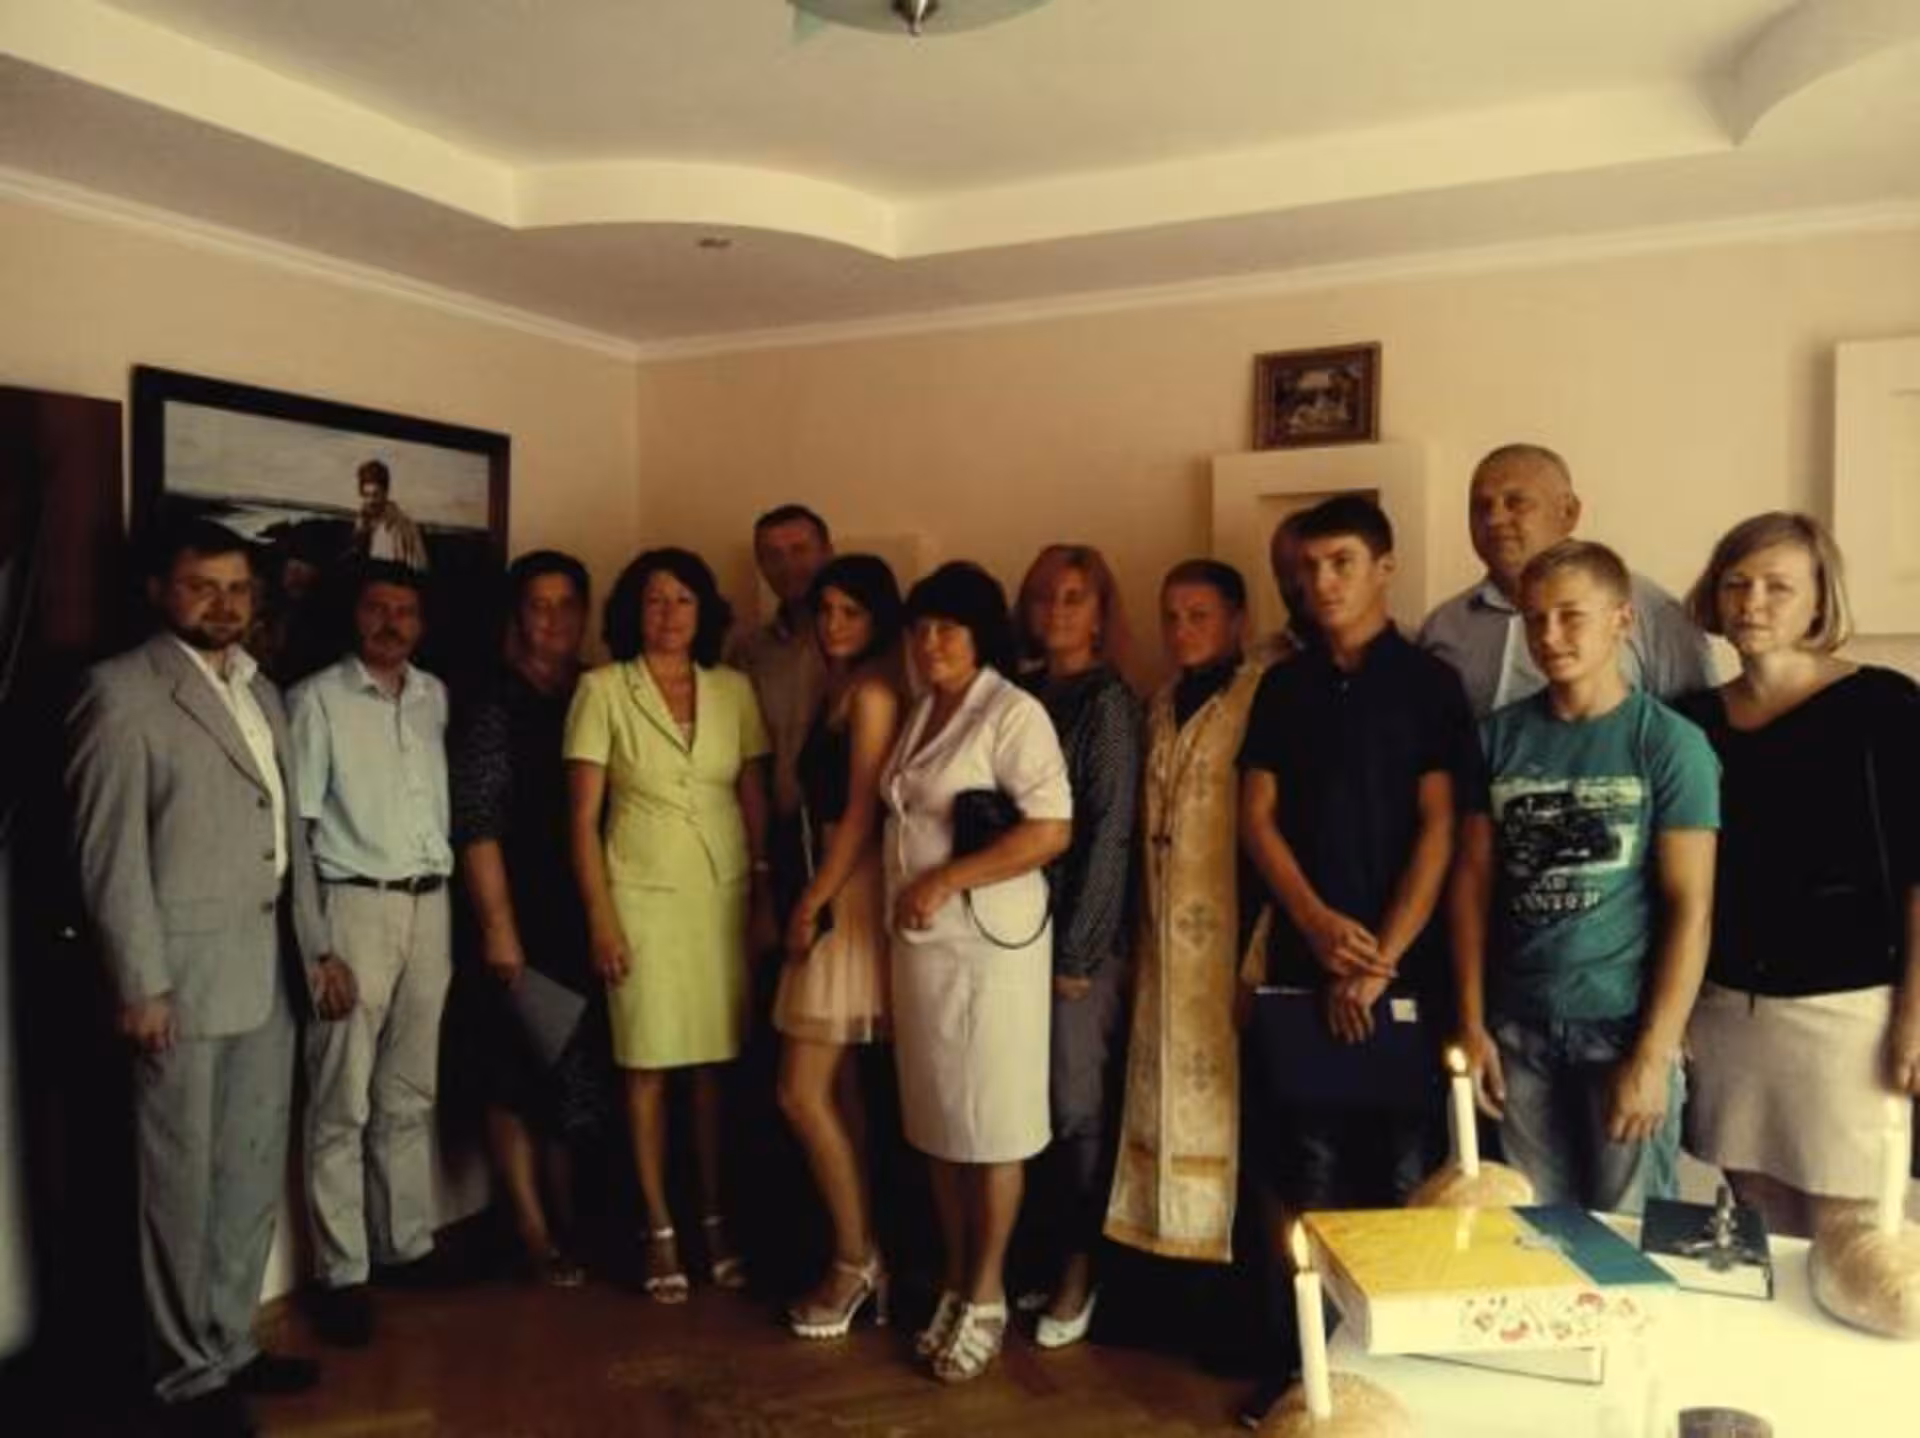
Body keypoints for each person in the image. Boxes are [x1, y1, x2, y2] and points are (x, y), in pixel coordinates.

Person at [66, 520, 354, 1437]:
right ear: (158, 590)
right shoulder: (121, 694)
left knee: (246, 1172)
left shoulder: (261, 690)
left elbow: (287, 837)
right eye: (202, 586)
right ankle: (184, 1377)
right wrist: (139, 985)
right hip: (180, 985)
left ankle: (230, 1344)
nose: (224, 605)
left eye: (238, 589)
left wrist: (317, 949)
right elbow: (109, 857)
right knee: (178, 1188)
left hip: (269, 972)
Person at [1450, 540, 1718, 1212]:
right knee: (1529, 1230)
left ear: (1622, 620)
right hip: (1517, 1027)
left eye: (1571, 615)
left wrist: (1654, 1055)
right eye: (1535, 619)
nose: (1549, 636)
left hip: (1621, 1025)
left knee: (1626, 1236)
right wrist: (1471, 1022)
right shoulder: (1495, 738)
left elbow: (1691, 908)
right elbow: (1472, 886)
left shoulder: (1668, 742)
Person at [1674, 513, 1920, 1238]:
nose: (1752, 602)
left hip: (1850, 1017)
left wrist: (1914, 1016)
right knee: (1761, 1231)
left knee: (1854, 1239)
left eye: (1777, 586)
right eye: (1736, 583)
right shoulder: (1691, 721)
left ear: (1819, 601)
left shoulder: (1884, 704)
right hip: (1727, 1014)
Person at [1239, 496, 1477, 1205]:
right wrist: (1315, 924)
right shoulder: (1282, 686)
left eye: (1342, 563)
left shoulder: (1431, 684)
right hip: (1303, 962)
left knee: (1407, 1184)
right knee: (1309, 1179)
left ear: (1385, 568)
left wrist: (1380, 964)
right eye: (1310, 567)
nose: (1323, 582)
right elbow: (1256, 817)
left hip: (1406, 968)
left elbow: (1442, 828)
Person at [566, 548, 774, 1302]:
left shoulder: (733, 689)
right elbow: (581, 820)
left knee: (714, 1067)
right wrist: (602, 919)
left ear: (704, 611)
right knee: (646, 1065)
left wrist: (763, 892)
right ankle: (657, 1227)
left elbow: (753, 797)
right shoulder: (601, 689)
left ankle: (713, 1219)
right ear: (632, 610)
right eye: (655, 599)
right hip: (640, 897)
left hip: (720, 896)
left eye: (684, 599)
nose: (669, 614)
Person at [881, 561, 1072, 1383]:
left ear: (981, 633)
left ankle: (988, 1293)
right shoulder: (924, 706)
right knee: (938, 1120)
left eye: (949, 628)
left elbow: (1052, 828)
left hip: (992, 947)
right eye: (921, 628)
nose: (931, 643)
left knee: (992, 1124)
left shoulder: (1012, 711)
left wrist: (944, 879)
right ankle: (957, 1281)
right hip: (924, 948)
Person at [290, 561, 455, 1347]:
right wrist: (317, 946)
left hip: (432, 905)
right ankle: (342, 1271)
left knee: (409, 1090)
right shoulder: (316, 699)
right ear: (354, 615)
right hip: (353, 903)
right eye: (377, 608)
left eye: (406, 611)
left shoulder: (433, 696)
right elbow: (297, 832)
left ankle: (406, 1246)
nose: (392, 623)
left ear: (422, 623)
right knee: (341, 1099)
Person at [451, 551, 611, 1286]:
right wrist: (498, 928)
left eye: (566, 604)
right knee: (515, 1076)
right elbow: (477, 824)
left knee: (571, 1074)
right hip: (517, 911)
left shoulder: (594, 691)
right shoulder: (493, 704)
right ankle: (533, 1231)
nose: (553, 619)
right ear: (519, 616)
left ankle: (573, 1222)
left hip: (583, 910)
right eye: (538, 605)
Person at [1104, 560, 1266, 1264]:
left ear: (1237, 620)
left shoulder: (1261, 697)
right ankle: (1160, 1265)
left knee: (1234, 1114)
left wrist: (1259, 953)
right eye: (1170, 616)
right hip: (1160, 945)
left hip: (1230, 941)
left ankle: (1226, 1281)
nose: (1181, 630)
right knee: (1154, 1102)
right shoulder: (1160, 702)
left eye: (1199, 616)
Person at [1011, 544, 1143, 1349]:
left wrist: (1078, 954)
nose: (1055, 612)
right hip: (1011, 936)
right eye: (1042, 598)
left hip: (1077, 945)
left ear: (1099, 613)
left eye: (1072, 598)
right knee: (1025, 1108)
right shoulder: (1022, 692)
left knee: (1075, 1108)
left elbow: (1110, 834)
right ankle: (1037, 1253)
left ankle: (1080, 1270)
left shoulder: (1108, 703)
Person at [773, 555, 907, 1338]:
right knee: (844, 1093)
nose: (832, 625)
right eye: (825, 610)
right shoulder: (838, 688)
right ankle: (865, 1253)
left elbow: (861, 814)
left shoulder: (876, 694)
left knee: (800, 1091)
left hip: (847, 890)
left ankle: (854, 1261)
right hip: (829, 879)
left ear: (878, 618)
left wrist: (813, 900)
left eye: (850, 612)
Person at [1419, 444, 1712, 716]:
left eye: (1516, 502)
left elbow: (1696, 727)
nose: (1494, 519)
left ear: (1569, 512)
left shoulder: (1652, 612)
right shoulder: (1444, 626)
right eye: (1481, 506)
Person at [733, 504, 834, 914]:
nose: (787, 565)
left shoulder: (865, 639)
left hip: (849, 833)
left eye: (799, 550)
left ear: (827, 551)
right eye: (772, 555)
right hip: (776, 834)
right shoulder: (748, 650)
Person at [352, 460, 430, 573]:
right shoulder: (364, 522)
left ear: (385, 493)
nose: (370, 501)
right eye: (366, 495)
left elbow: (418, 569)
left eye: (375, 495)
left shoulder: (403, 526)